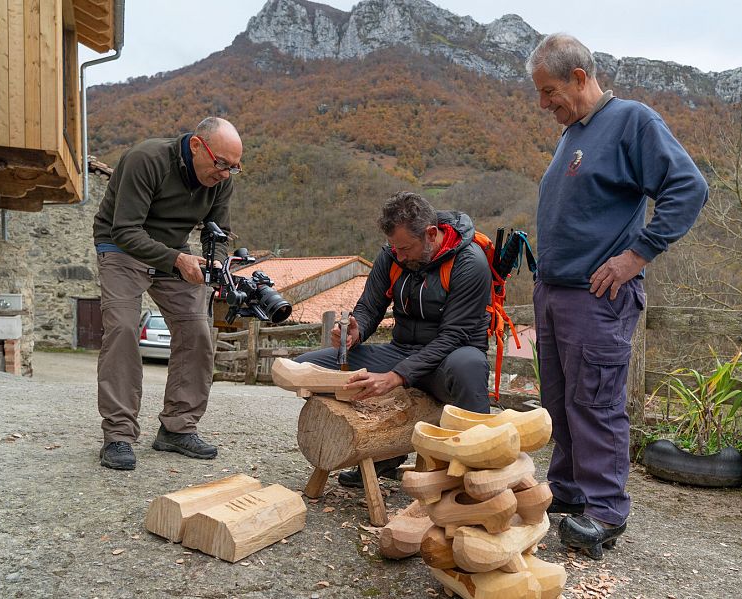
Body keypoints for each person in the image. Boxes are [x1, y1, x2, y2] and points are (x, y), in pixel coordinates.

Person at [526, 34, 708, 557]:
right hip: (556, 292)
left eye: (549, 91)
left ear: (579, 78)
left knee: (596, 401)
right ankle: (569, 490)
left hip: (597, 296)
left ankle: (605, 512)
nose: (544, 104)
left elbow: (688, 187)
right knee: (559, 399)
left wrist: (638, 255)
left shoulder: (633, 121)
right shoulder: (572, 134)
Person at [296, 191, 492, 487]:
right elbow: (370, 307)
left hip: (447, 360)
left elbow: (455, 336)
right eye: (393, 248)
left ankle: (480, 468)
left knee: (469, 363)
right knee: (307, 368)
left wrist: (397, 376)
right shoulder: (392, 255)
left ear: (431, 234)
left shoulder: (470, 263)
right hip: (401, 350)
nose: (398, 256)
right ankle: (382, 454)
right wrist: (356, 329)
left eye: (405, 248)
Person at [92, 117, 243, 470]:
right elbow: (125, 230)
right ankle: (118, 434)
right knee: (123, 329)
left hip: (174, 254)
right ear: (195, 146)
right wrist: (177, 259)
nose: (224, 173)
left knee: (197, 331)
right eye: (221, 163)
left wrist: (215, 263)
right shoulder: (146, 160)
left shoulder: (221, 181)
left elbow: (219, 234)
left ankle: (177, 428)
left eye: (233, 168)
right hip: (120, 246)